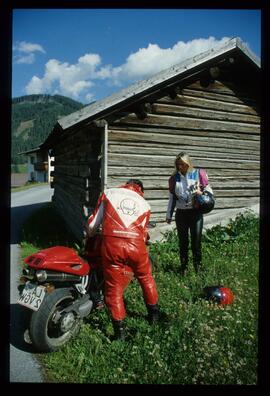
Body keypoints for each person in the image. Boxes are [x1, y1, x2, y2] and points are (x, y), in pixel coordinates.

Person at [85, 179, 160, 340]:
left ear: (126, 184)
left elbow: (92, 225)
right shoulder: (145, 204)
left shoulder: (109, 194)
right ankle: (154, 316)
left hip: (112, 246)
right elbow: (143, 232)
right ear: (141, 190)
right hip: (136, 246)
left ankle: (120, 334)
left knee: (114, 290)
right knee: (146, 278)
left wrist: (91, 235)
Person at [166, 152, 213, 274]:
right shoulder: (173, 178)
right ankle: (184, 268)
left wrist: (201, 193)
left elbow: (209, 191)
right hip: (181, 214)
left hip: (195, 213)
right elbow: (172, 198)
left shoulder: (199, 173)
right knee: (183, 242)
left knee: (196, 242)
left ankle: (198, 268)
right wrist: (168, 215)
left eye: (182, 164)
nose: (180, 167)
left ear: (188, 163)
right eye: (178, 164)